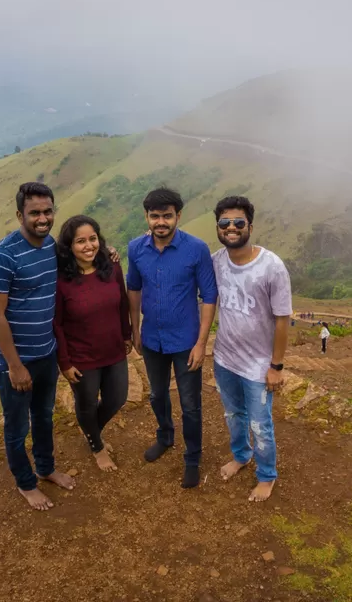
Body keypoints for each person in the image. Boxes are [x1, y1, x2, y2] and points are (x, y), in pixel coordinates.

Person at [0, 181, 78, 512]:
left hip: (46, 353)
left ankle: (46, 467)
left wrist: (106, 252)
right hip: (15, 361)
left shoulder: (50, 247)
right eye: (34, 212)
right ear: (19, 214)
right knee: (17, 424)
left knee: (44, 416)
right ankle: (25, 483)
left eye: (47, 211)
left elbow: (81, 258)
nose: (42, 218)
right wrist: (15, 365)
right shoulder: (1, 257)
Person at [127, 187, 217, 489]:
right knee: (157, 394)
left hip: (186, 342)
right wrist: (135, 329)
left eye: (167, 216)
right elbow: (134, 289)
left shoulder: (196, 249)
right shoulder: (136, 249)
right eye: (155, 216)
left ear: (178, 216)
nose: (160, 222)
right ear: (147, 217)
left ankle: (193, 457)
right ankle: (165, 436)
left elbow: (209, 296)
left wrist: (202, 343)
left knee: (190, 403)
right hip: (153, 339)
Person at [210, 196, 291, 503]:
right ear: (218, 227)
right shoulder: (217, 260)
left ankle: (267, 475)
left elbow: (283, 320)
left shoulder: (272, 267)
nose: (231, 228)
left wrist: (276, 366)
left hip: (258, 365)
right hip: (224, 358)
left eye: (238, 223)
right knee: (233, 416)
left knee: (260, 424)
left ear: (250, 226)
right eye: (225, 223)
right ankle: (241, 456)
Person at [53, 215, 132, 472]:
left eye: (93, 239)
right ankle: (96, 445)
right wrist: (64, 362)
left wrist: (126, 334)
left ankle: (90, 430)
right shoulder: (61, 280)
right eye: (80, 241)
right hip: (82, 357)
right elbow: (57, 324)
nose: (89, 246)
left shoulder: (111, 267)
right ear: (69, 246)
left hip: (113, 349)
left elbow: (122, 302)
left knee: (117, 398)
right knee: (86, 403)